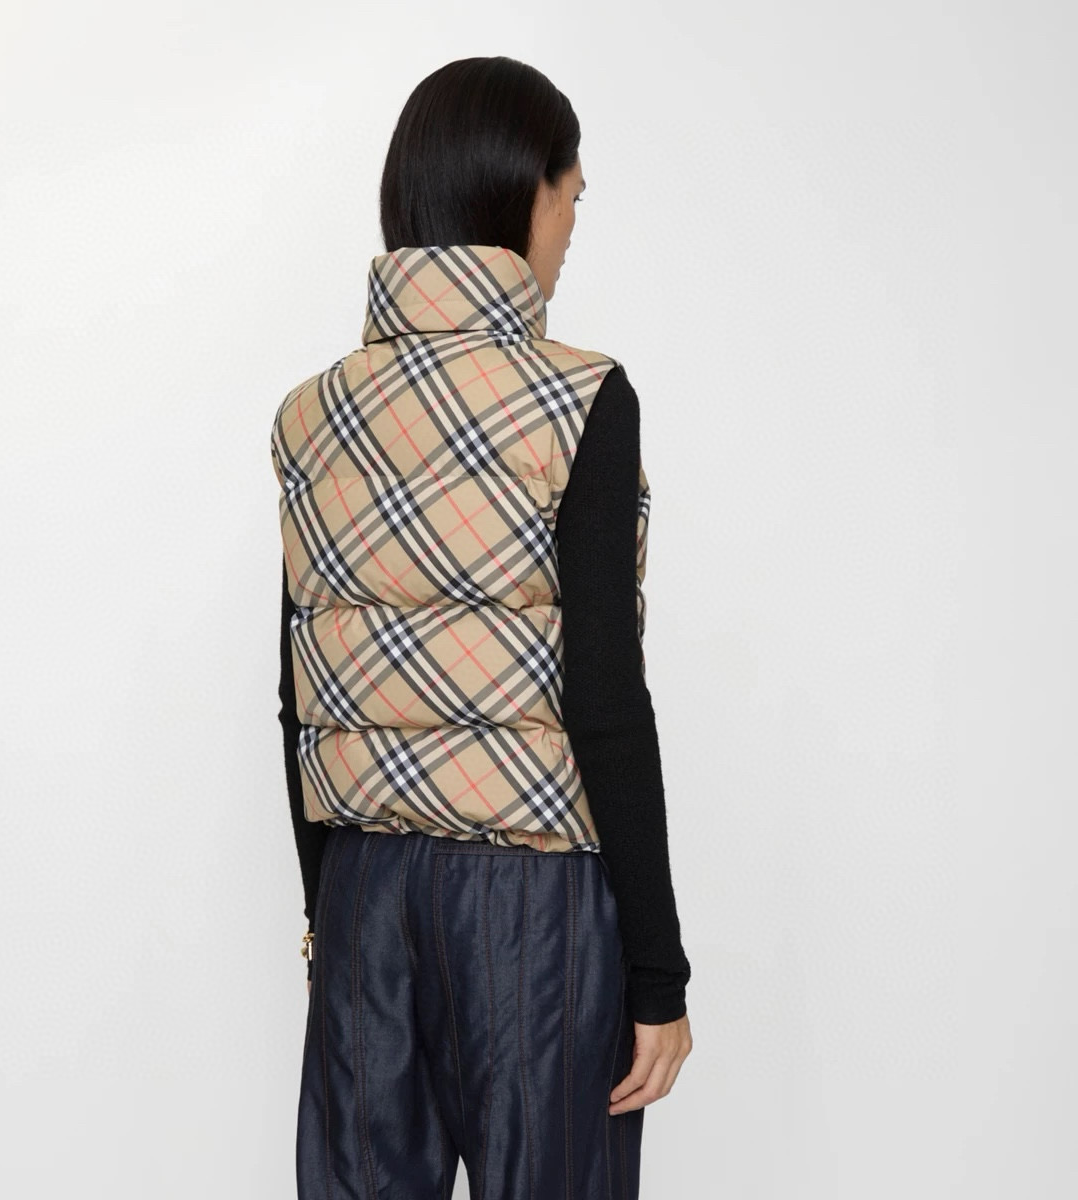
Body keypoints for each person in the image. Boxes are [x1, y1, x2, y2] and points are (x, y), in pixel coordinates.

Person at [271, 55, 693, 1199]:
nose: (571, 229)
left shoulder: (314, 413)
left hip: (364, 895)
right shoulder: (579, 397)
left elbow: (298, 690)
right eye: (571, 197)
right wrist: (657, 973)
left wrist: (326, 920)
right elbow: (603, 692)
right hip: (531, 909)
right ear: (524, 190)